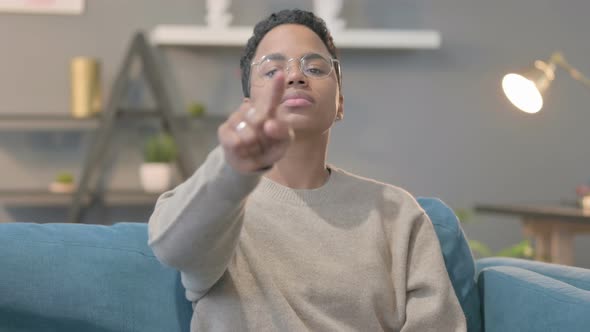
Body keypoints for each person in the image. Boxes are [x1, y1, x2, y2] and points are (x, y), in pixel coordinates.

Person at [148, 8, 466, 332]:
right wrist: (233, 169)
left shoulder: (397, 214)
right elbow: (172, 250)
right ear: (248, 106)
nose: (295, 76)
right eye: (272, 71)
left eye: (314, 67)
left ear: (340, 102)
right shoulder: (214, 208)